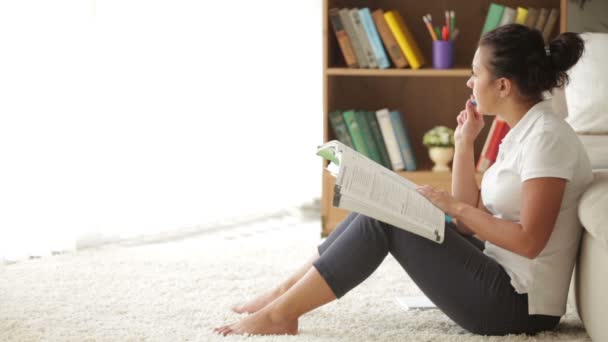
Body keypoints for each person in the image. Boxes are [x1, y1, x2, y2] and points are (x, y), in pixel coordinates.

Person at [213, 24, 593, 337]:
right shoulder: (522, 132)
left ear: (503, 86)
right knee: (382, 204)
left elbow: (529, 241)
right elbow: (467, 221)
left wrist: (454, 205)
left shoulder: (546, 138)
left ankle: (282, 312)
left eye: (476, 74)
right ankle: (282, 296)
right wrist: (463, 146)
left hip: (518, 306)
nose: (469, 83)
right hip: (498, 270)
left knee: (385, 218)